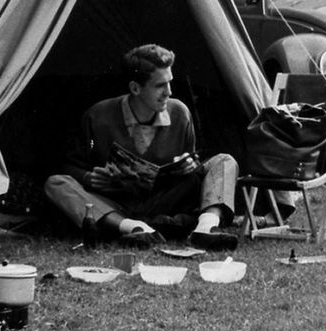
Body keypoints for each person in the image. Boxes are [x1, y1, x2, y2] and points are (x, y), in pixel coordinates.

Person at [45, 44, 238, 251]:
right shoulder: (98, 116)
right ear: (135, 88)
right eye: (160, 86)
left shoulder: (180, 114)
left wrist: (188, 165)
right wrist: (88, 177)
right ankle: (135, 228)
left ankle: (205, 229)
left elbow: (192, 161)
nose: (169, 92)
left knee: (225, 161)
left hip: (166, 199)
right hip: (116, 204)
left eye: (170, 83)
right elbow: (71, 165)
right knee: (56, 183)